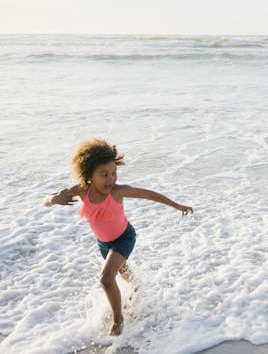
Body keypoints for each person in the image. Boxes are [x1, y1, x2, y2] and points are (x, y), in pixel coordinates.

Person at [43, 139, 193, 335]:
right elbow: (45, 200)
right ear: (88, 175)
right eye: (104, 175)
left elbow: (149, 195)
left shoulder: (117, 191)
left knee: (106, 279)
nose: (110, 179)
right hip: (103, 244)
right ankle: (138, 288)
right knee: (123, 272)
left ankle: (118, 320)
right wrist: (55, 199)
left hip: (124, 237)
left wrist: (177, 205)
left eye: (114, 173)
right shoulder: (81, 190)